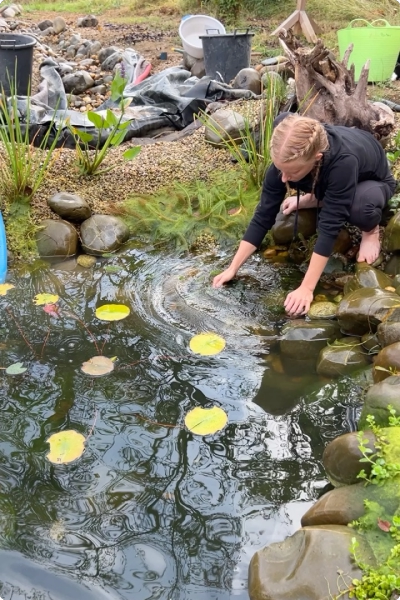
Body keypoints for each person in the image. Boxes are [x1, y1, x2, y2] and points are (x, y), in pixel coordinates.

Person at [213, 112, 396, 316]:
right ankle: (318, 198)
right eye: (280, 169)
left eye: (291, 173)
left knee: (359, 210)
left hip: (372, 182)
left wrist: (307, 288)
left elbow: (329, 227)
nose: (284, 179)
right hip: (331, 178)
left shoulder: (344, 161)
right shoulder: (288, 158)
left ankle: (370, 231)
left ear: (316, 158)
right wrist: (232, 268)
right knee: (305, 184)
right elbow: (264, 214)